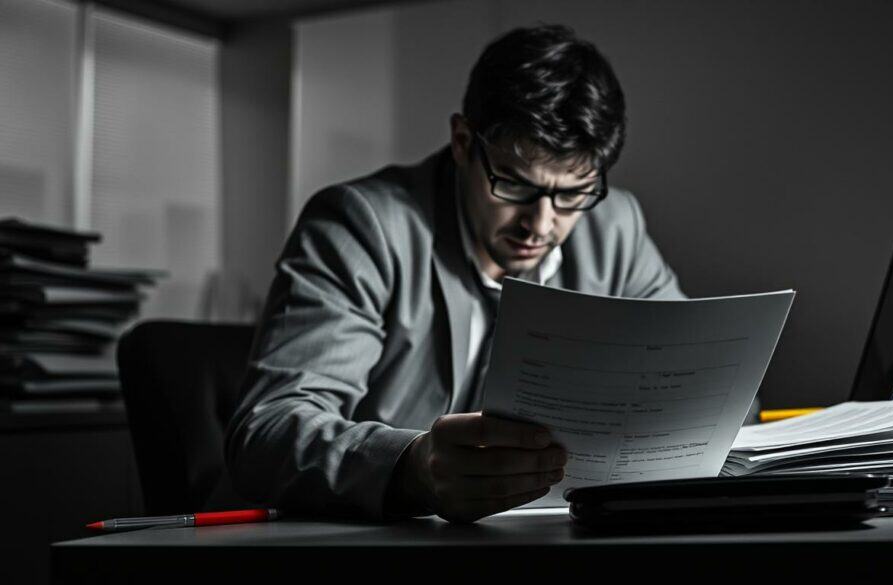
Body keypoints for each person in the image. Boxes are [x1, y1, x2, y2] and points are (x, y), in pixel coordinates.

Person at [224, 24, 685, 524]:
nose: (541, 223)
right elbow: (267, 430)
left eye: (573, 194)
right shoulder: (362, 225)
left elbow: (704, 387)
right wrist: (410, 470)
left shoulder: (615, 228)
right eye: (513, 184)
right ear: (463, 142)